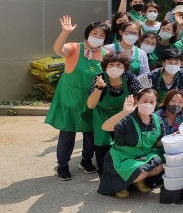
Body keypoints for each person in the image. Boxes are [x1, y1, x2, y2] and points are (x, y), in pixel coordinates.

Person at [46, 16, 107, 180]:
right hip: (71, 97)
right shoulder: (74, 48)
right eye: (95, 33)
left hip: (92, 98)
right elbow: (59, 50)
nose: (98, 37)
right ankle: (63, 165)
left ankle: (86, 160)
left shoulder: (106, 53)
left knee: (90, 132)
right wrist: (65, 33)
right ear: (87, 34)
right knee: (68, 131)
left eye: (102, 35)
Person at [97, 90, 164, 198]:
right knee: (141, 171)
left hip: (144, 155)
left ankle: (137, 180)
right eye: (145, 101)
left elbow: (158, 142)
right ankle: (120, 184)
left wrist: (173, 138)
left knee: (164, 164)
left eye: (152, 102)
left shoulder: (157, 119)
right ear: (137, 101)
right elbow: (105, 127)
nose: (148, 105)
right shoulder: (127, 119)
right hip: (123, 157)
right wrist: (124, 112)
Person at [87, 52, 142, 176]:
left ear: (125, 67)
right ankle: (104, 173)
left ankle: (126, 171)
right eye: (111, 64)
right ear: (105, 67)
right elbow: (91, 105)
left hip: (125, 114)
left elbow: (138, 99)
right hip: (103, 115)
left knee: (125, 145)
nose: (115, 68)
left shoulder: (130, 78)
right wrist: (98, 88)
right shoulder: (99, 78)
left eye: (119, 64)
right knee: (103, 144)